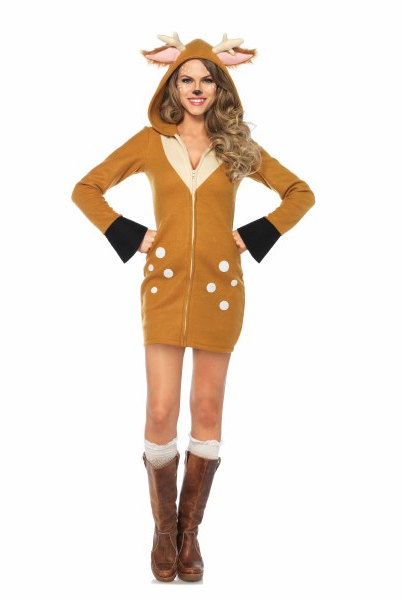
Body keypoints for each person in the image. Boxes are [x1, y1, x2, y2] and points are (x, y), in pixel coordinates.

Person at [71, 33, 315, 583]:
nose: (197, 89)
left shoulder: (237, 146)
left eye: (207, 80)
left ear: (220, 87)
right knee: (160, 412)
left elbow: (300, 192)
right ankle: (163, 531)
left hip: (220, 290)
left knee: (207, 409)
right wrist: (132, 234)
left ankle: (189, 534)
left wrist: (252, 235)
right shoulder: (150, 142)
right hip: (163, 289)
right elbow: (87, 188)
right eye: (187, 79)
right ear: (172, 86)